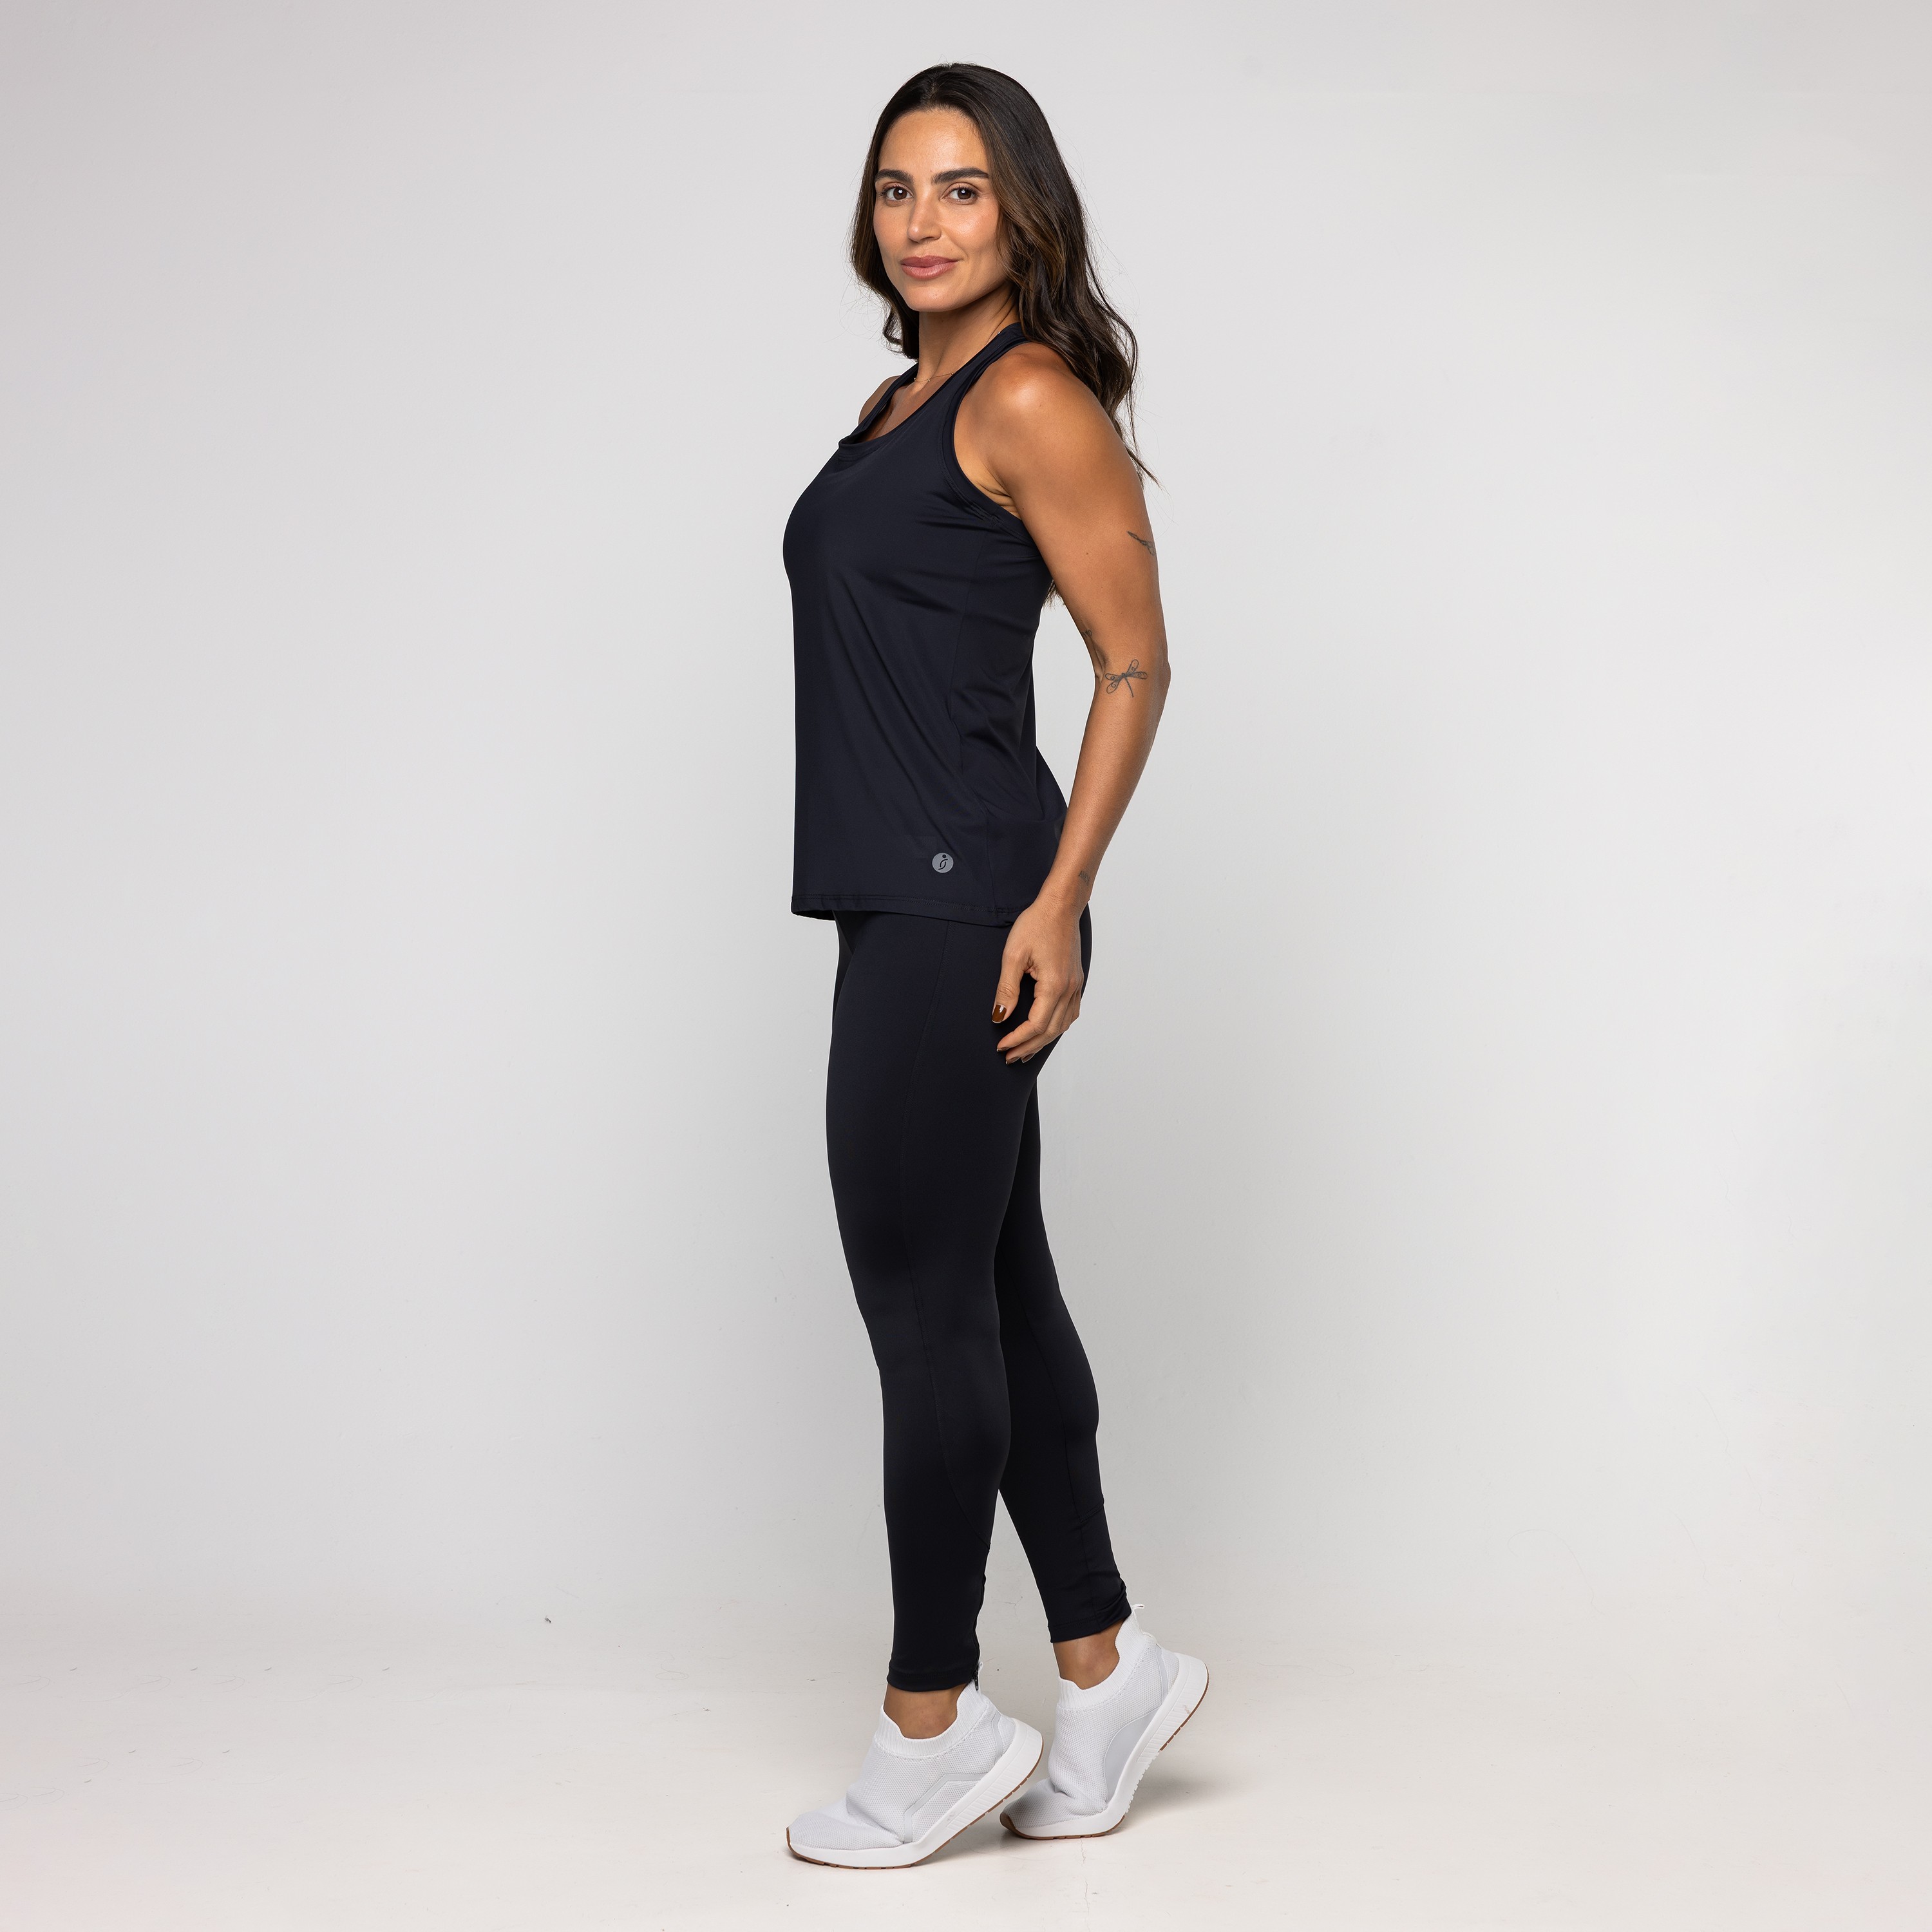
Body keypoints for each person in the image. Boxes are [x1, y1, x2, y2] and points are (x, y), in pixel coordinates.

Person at [782, 64, 1205, 1870]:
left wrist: (1058, 896)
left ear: (1022, 210)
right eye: (898, 188)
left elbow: (1135, 660)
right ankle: (1106, 1672)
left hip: (972, 901)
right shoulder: (899, 404)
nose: (924, 220)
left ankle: (931, 1724)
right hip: (903, 894)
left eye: (961, 188)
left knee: (921, 1312)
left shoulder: (1029, 396)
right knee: (997, 1292)